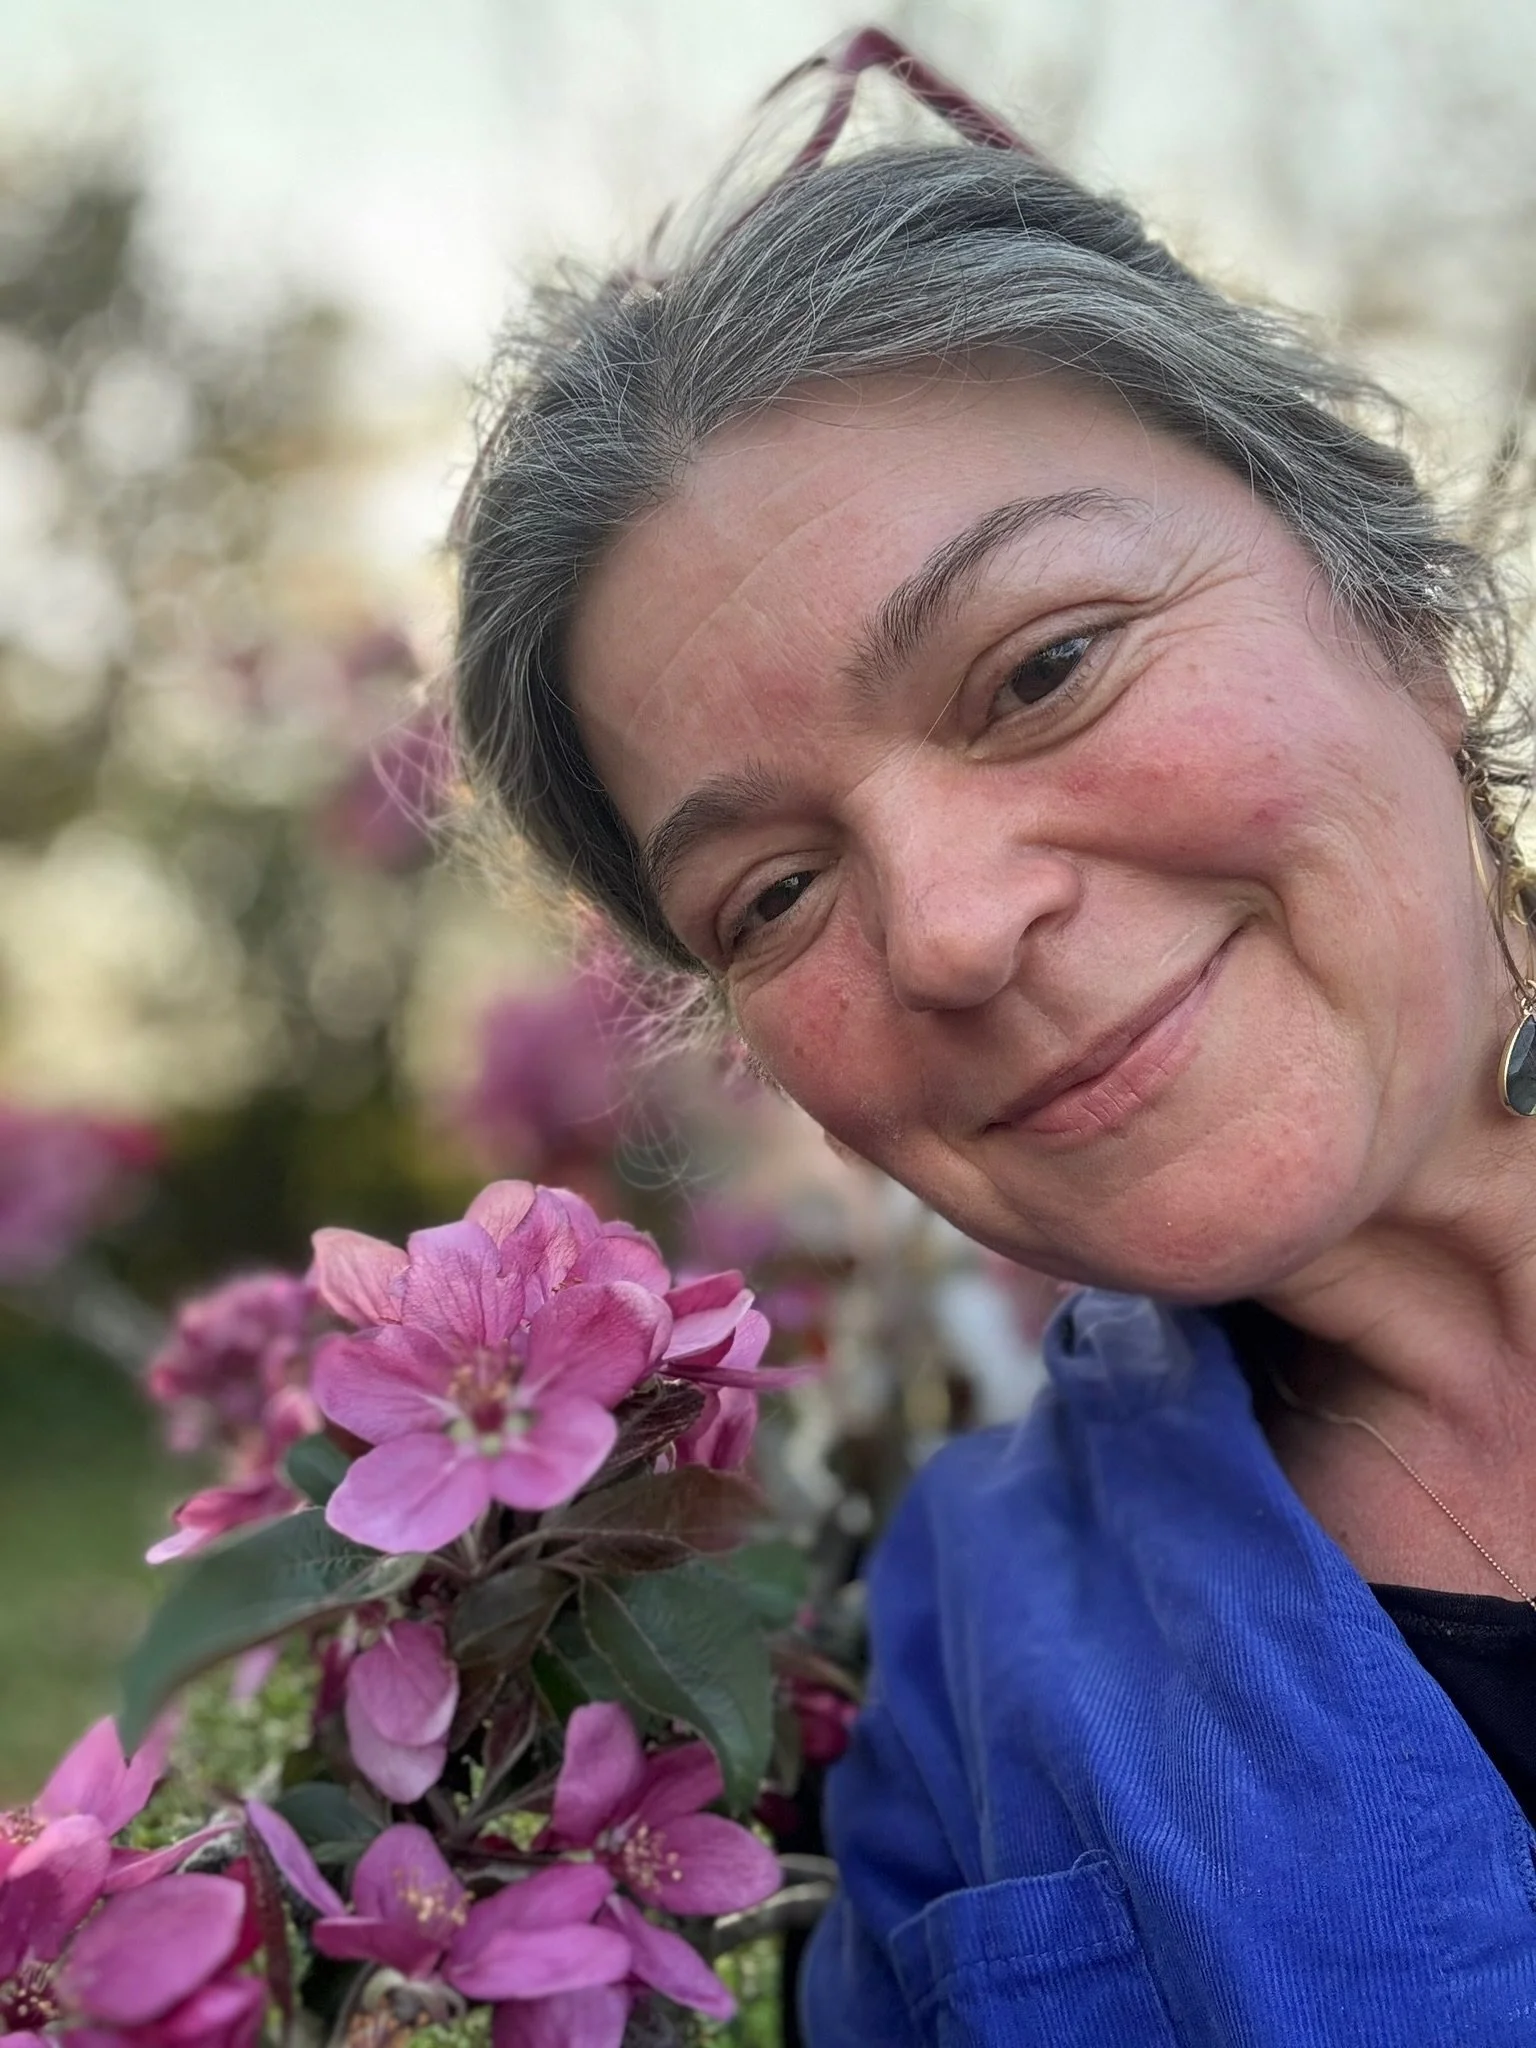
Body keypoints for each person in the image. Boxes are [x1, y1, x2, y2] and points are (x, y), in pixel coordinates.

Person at [451, 29, 1536, 2046]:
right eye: (771, 894)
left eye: (1043, 665)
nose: (950, 928)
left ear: (1396, 609)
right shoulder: (961, 1651)